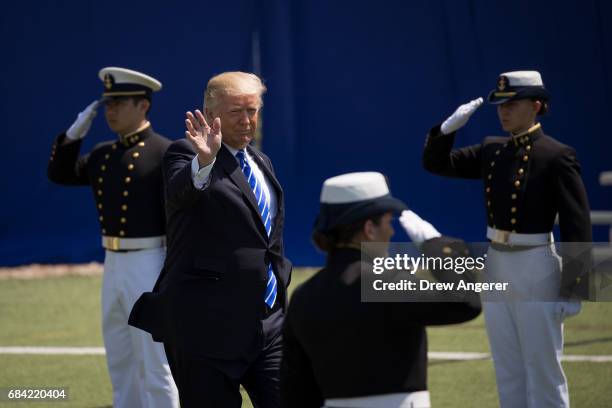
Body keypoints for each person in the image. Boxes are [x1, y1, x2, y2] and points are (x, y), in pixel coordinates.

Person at [422, 70, 592, 407]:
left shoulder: (556, 155)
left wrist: (575, 287)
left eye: (512, 104)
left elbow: (577, 223)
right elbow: (436, 164)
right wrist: (446, 130)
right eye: (500, 105)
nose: (503, 111)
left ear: (536, 105)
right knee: (507, 368)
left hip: (536, 264)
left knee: (543, 369)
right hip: (497, 264)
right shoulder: (493, 150)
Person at [129, 71, 292, 407]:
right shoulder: (184, 154)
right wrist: (204, 161)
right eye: (237, 112)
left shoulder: (262, 161)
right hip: (207, 328)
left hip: (268, 322)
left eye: (253, 111)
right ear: (211, 113)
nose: (248, 121)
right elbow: (179, 194)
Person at [280, 171, 482, 408]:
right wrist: (437, 246)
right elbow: (467, 301)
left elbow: (295, 391)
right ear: (369, 228)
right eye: (387, 222)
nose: (392, 232)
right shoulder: (387, 282)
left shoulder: (304, 296)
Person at [47, 67, 179, 407]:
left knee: (155, 357)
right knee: (119, 354)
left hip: (151, 261)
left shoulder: (166, 153)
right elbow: (60, 174)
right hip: (113, 262)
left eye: (120, 103)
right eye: (108, 104)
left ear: (143, 106)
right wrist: (74, 135)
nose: (111, 111)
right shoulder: (104, 155)